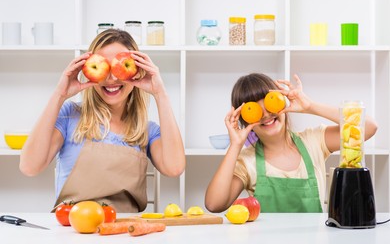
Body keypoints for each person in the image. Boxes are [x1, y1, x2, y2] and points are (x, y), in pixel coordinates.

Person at [20, 29, 185, 212]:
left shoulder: (146, 130)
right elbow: (29, 167)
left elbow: (175, 168)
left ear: (136, 71)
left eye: (119, 67)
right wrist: (59, 95)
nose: (111, 78)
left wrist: (160, 93)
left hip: (124, 233)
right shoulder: (70, 116)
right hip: (74, 232)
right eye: (103, 67)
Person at [205, 73, 377, 213]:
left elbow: (368, 127)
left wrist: (310, 106)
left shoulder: (313, 141)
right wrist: (235, 145)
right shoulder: (246, 161)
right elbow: (214, 204)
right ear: (245, 120)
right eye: (255, 110)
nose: (265, 114)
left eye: (269, 103)